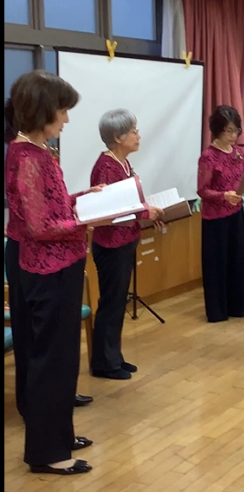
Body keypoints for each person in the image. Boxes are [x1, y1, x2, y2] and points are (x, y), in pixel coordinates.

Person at [4, 69, 102, 474]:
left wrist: (83, 198)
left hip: (52, 263)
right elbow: (40, 227)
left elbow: (49, 206)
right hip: (47, 268)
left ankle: (56, 435)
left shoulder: (36, 151)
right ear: (43, 110)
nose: (67, 118)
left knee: (54, 357)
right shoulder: (27, 157)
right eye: (62, 110)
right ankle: (49, 452)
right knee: (51, 358)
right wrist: (91, 220)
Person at [90, 109, 164, 380]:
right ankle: (104, 363)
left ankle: (114, 357)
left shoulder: (122, 163)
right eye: (133, 131)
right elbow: (110, 208)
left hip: (125, 240)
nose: (138, 135)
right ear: (118, 137)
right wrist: (145, 212)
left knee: (118, 301)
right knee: (111, 302)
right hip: (111, 244)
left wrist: (147, 210)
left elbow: (130, 201)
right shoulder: (106, 166)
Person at [197, 105, 244, 323]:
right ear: (217, 130)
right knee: (216, 264)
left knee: (236, 260)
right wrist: (223, 196)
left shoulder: (238, 153)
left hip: (236, 212)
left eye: (236, 130)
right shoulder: (208, 157)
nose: (233, 135)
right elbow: (202, 190)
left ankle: (237, 306)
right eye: (229, 130)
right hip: (215, 217)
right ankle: (218, 311)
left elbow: (239, 181)